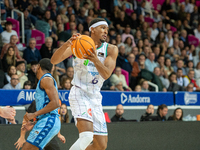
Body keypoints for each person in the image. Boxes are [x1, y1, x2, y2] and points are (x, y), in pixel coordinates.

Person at [51, 18, 118, 150]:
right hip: (79, 92)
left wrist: (94, 59)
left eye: (107, 29)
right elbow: (54, 60)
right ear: (92, 29)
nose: (106, 31)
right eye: (103, 28)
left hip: (95, 96)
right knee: (87, 136)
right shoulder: (78, 43)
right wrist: (67, 44)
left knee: (100, 145)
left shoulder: (111, 49)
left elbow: (106, 74)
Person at [15, 58, 61, 150]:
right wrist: (35, 122)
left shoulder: (46, 79)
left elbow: (56, 103)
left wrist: (35, 114)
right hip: (44, 121)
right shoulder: (45, 80)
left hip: (48, 121)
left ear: (38, 66)